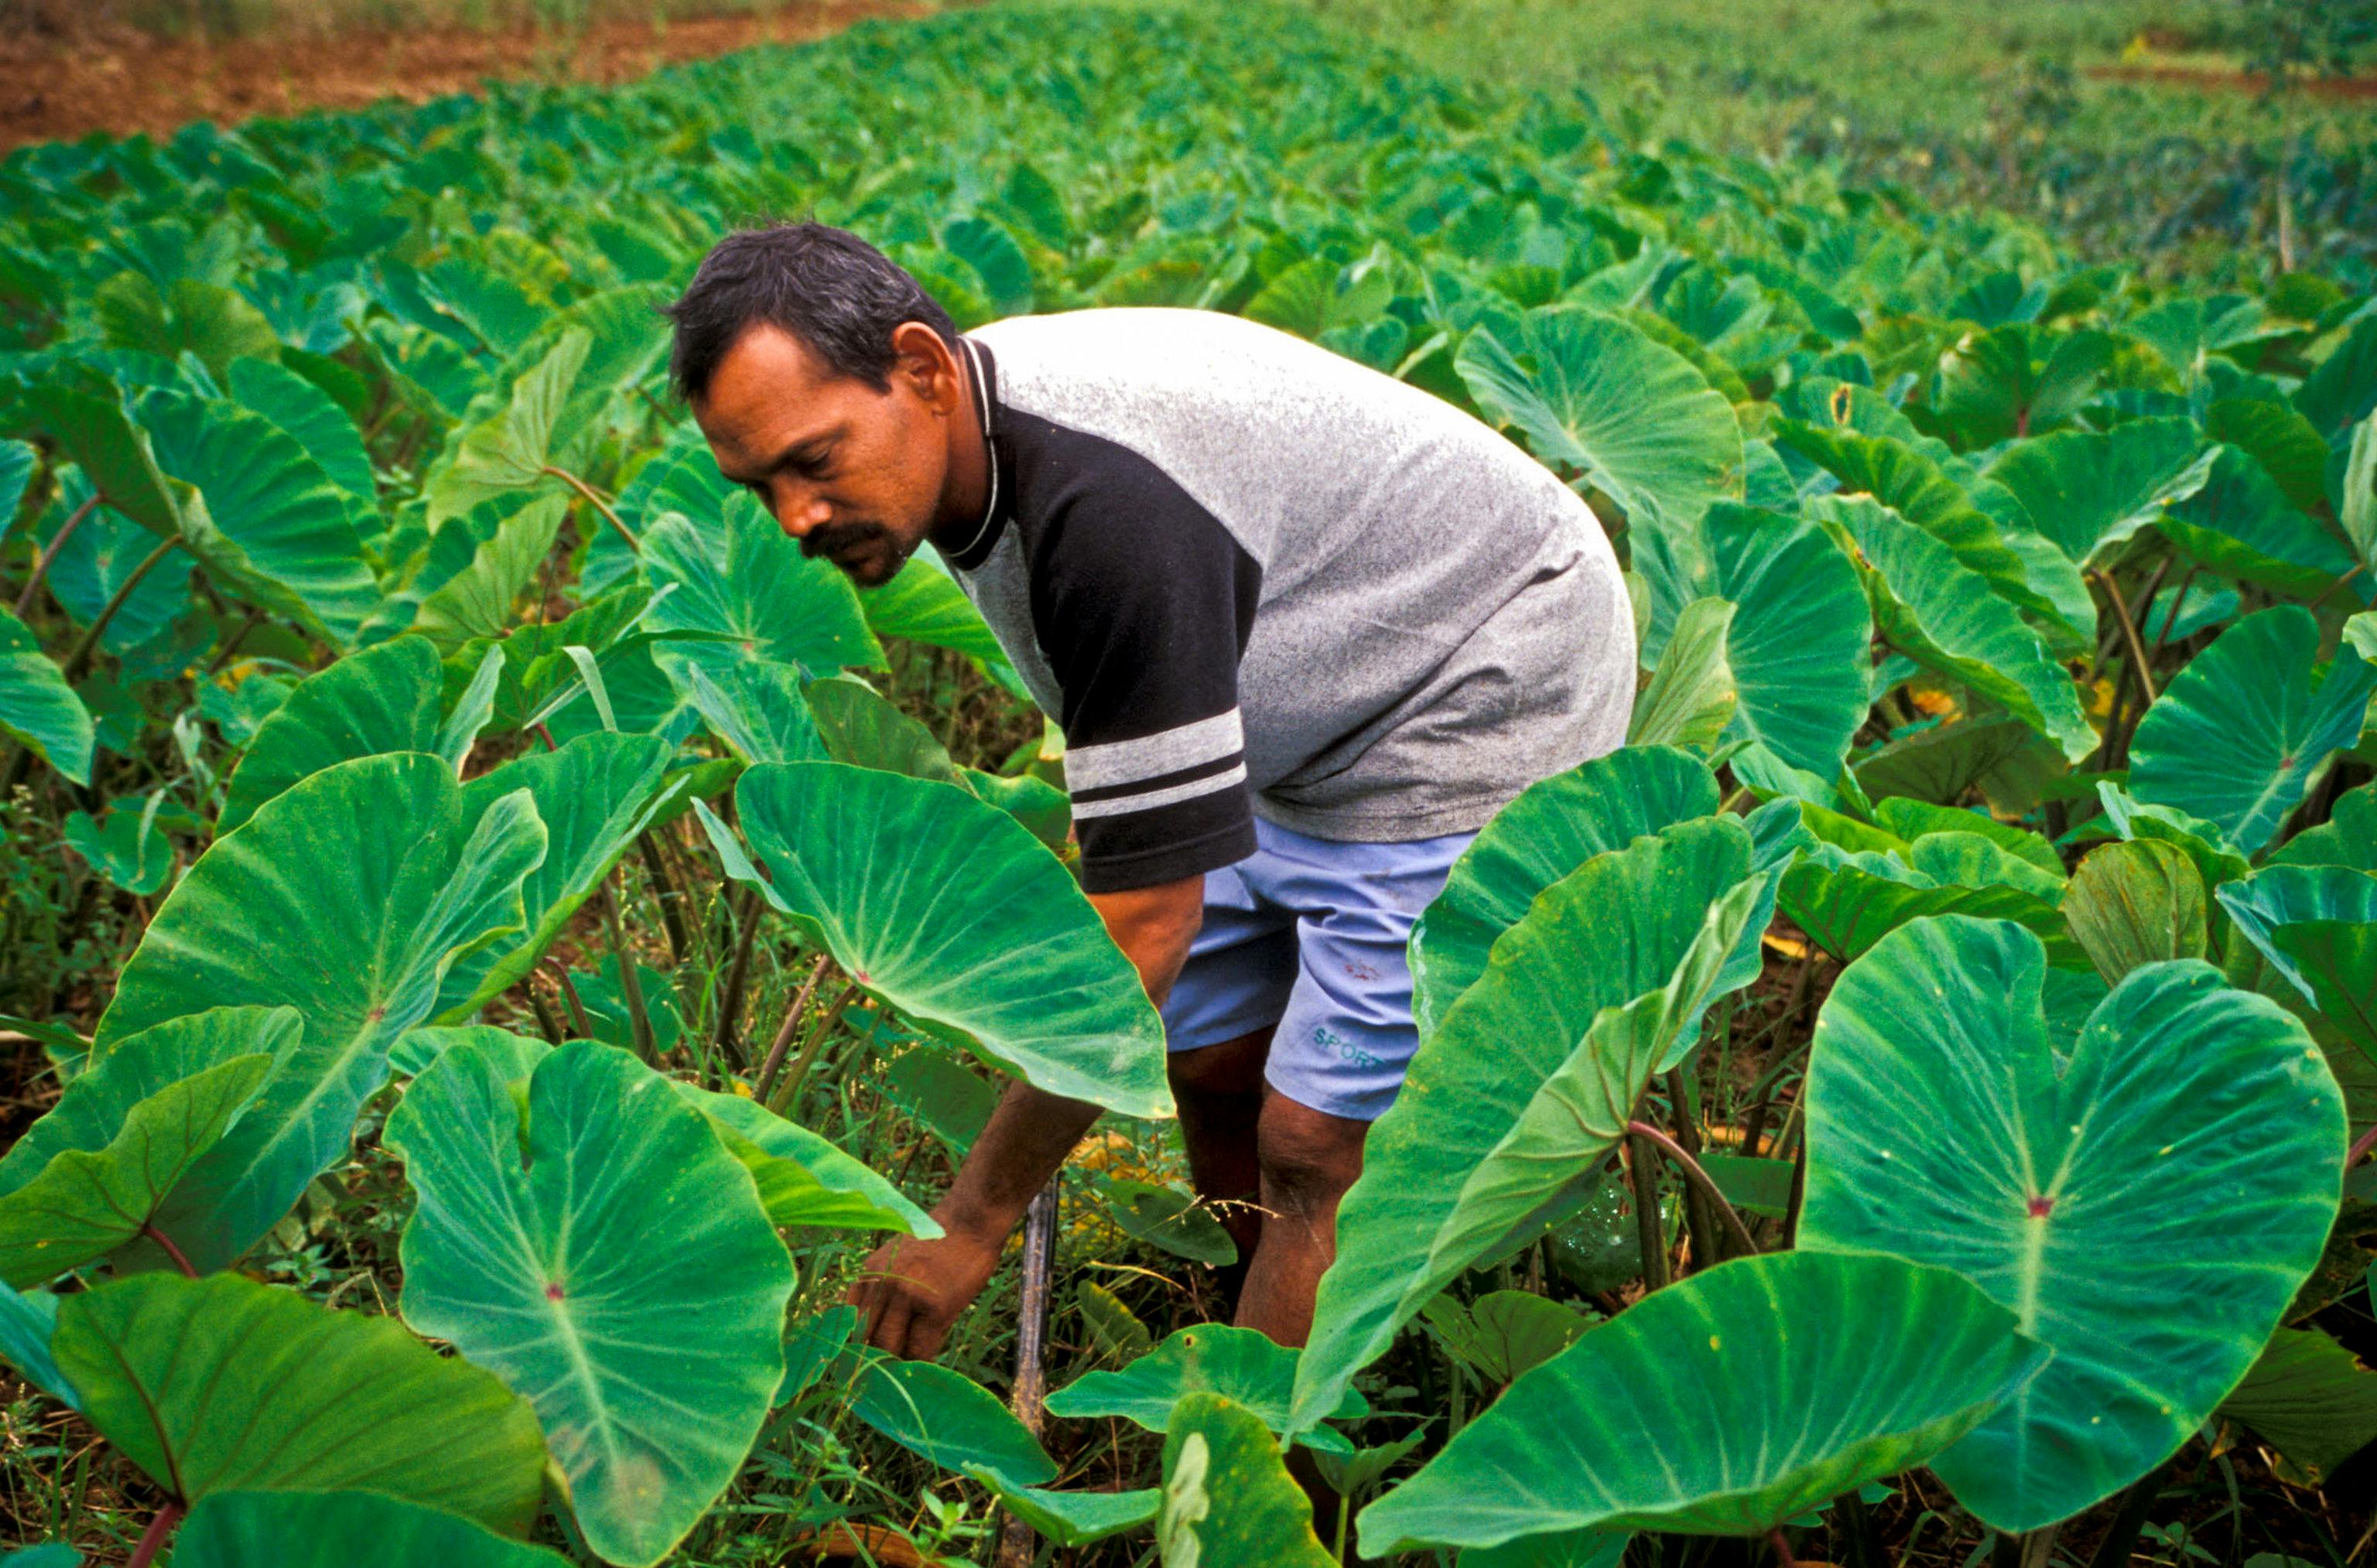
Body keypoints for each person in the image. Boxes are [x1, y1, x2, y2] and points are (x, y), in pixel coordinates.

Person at [665, 221, 1634, 1359]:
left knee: (1318, 1142)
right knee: (1209, 1053)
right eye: (761, 482)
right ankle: (1253, 1314)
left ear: (922, 368)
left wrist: (970, 1225)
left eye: (815, 462)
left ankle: (1267, 1484)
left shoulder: (1105, 504)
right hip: (1302, 684)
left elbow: (1142, 934)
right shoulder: (963, 437)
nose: (793, 520)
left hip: (1478, 670)